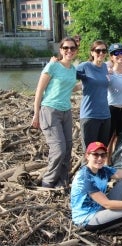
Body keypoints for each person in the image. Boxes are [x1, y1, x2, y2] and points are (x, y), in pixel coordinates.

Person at [32, 37, 78, 188]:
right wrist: (36, 113)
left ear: (76, 51)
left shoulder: (72, 69)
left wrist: (89, 84)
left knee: (68, 147)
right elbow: (39, 90)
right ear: (61, 50)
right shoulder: (52, 66)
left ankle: (62, 181)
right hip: (50, 110)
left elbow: (69, 87)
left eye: (72, 48)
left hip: (66, 111)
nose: (69, 51)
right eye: (66, 48)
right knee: (58, 149)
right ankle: (48, 182)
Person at [77, 40, 111, 150]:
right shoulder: (85, 66)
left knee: (101, 151)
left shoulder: (105, 67)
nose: (101, 53)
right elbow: (66, 73)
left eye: (104, 51)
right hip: (90, 116)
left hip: (105, 116)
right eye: (98, 50)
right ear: (92, 52)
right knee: (89, 153)